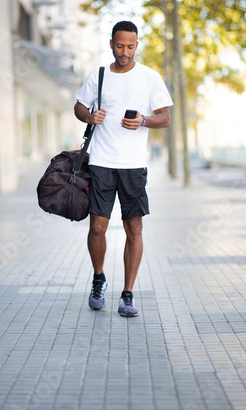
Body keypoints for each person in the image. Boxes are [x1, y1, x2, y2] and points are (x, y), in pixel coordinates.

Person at [74, 20, 173, 317]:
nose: (125, 52)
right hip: (101, 164)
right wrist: (89, 117)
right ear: (111, 44)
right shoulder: (99, 75)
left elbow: (165, 117)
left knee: (134, 228)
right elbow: (79, 106)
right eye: (120, 46)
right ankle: (98, 278)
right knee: (97, 228)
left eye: (130, 46)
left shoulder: (150, 77)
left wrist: (143, 120)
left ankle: (127, 294)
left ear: (137, 45)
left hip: (133, 167)